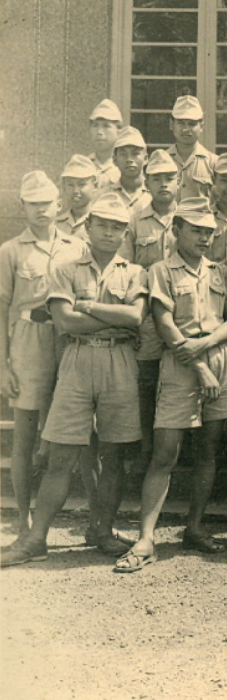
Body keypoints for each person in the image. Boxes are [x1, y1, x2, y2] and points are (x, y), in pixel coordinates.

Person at [2, 195, 145, 566]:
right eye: (102, 225)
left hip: (119, 362)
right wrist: (113, 317)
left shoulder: (134, 272)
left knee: (113, 454)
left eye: (117, 227)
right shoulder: (65, 268)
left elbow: (136, 318)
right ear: (88, 227)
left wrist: (90, 307)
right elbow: (64, 322)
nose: (109, 233)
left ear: (125, 232)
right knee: (62, 455)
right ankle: (36, 539)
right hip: (77, 359)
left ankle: (102, 530)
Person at [114, 197, 227, 572]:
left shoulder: (221, 272)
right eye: (196, 230)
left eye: (209, 232)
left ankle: (195, 526)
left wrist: (208, 346)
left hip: (217, 356)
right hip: (181, 362)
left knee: (208, 451)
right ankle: (146, 539)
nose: (204, 237)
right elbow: (165, 324)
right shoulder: (161, 271)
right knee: (165, 453)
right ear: (177, 230)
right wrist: (200, 363)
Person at [0, 172, 86, 549]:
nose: (40, 210)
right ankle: (24, 520)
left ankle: (69, 522)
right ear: (22, 207)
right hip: (27, 343)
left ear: (58, 205)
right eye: (32, 204)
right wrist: (3, 363)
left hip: (68, 341)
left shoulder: (77, 246)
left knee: (64, 432)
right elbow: (1, 309)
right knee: (24, 437)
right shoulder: (10, 251)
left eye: (46, 203)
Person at [119, 150, 180, 477]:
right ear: (147, 181)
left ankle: (179, 450)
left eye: (169, 177)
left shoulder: (189, 217)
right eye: (156, 178)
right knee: (146, 380)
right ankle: (146, 449)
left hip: (183, 312)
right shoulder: (135, 219)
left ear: (178, 180)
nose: (163, 184)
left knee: (180, 378)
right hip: (148, 314)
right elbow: (127, 268)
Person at [167, 95, 217, 202]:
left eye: (192, 124)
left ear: (201, 127)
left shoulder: (213, 163)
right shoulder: (163, 160)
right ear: (171, 125)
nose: (186, 129)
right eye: (180, 123)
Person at [108, 127, 152, 217]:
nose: (129, 159)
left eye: (135, 154)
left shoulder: (154, 193)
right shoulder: (106, 195)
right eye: (123, 154)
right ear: (114, 160)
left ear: (145, 159)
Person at [55, 155, 100, 243]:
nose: (75, 191)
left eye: (81, 184)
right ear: (64, 187)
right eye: (70, 185)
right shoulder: (56, 224)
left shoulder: (101, 223)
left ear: (95, 186)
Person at [87, 99, 123, 195]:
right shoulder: (84, 165)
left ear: (118, 131)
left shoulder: (124, 166)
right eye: (95, 126)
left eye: (106, 126)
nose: (99, 132)